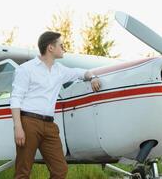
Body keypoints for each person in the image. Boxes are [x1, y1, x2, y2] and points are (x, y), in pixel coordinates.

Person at [10, 31, 101, 179]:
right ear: (51, 48)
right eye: (61, 45)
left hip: (50, 125)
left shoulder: (60, 70)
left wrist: (93, 77)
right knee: (23, 171)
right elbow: (16, 98)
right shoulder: (26, 69)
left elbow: (80, 72)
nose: (64, 48)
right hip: (28, 123)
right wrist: (18, 126)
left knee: (60, 170)